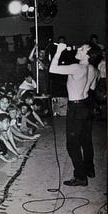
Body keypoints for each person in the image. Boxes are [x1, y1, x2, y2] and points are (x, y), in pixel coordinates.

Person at [49, 42, 102, 186]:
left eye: (83, 48)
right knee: (86, 139)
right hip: (85, 105)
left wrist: (59, 50)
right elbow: (90, 88)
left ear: (88, 55)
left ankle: (80, 177)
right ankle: (89, 169)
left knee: (72, 144)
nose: (78, 48)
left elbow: (53, 69)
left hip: (76, 107)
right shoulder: (90, 68)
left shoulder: (77, 67)